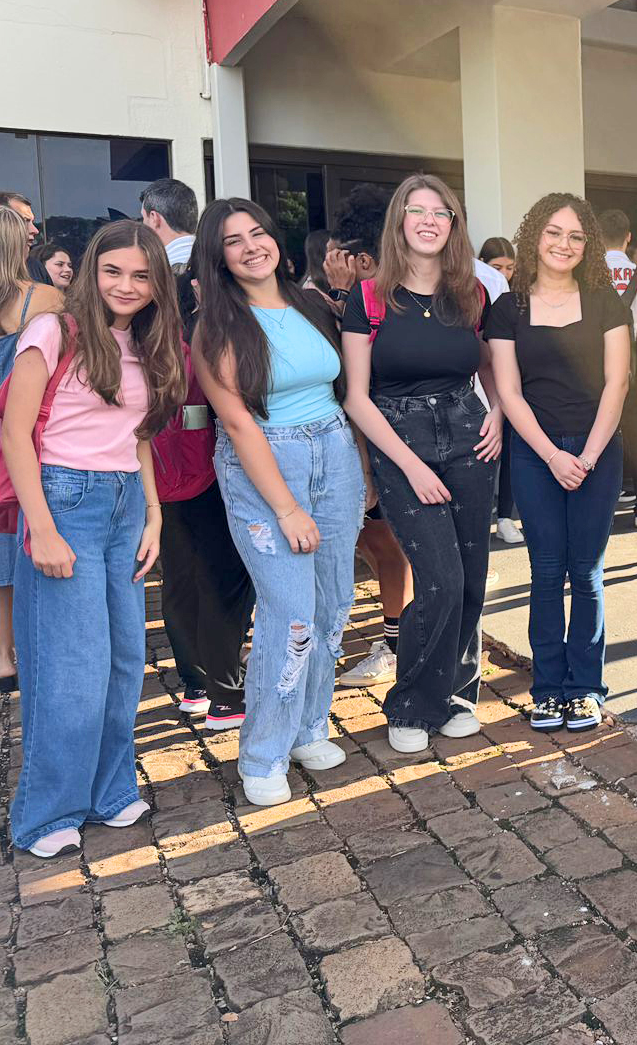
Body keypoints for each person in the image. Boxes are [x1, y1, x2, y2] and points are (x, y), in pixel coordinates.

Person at [3, 221, 184, 856]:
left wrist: (154, 514)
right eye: (113, 271)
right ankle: (47, 812)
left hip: (125, 502)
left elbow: (139, 438)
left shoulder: (148, 342)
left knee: (124, 658)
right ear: (91, 271)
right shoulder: (53, 331)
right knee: (70, 665)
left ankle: (109, 790)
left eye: (141, 275)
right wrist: (42, 529)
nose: (126, 285)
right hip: (63, 499)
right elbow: (15, 434)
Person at [192, 198, 367, 807]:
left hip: (335, 453)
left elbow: (341, 393)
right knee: (290, 613)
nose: (251, 247)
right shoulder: (216, 326)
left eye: (258, 233)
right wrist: (287, 508)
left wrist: (360, 469)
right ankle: (264, 752)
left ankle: (309, 728)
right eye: (233, 240)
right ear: (218, 257)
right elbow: (238, 424)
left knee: (333, 605)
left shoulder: (310, 304)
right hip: (267, 462)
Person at [342, 175, 501, 752]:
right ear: (399, 221)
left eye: (441, 212)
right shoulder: (368, 297)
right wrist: (409, 465)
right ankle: (410, 701)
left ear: (454, 225)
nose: (429, 221)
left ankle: (458, 693)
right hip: (399, 438)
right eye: (417, 210)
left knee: (472, 577)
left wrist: (498, 411)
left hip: (468, 434)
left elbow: (490, 364)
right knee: (441, 580)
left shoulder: (471, 294)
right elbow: (357, 397)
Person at [490, 193, 631, 734]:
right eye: (553, 232)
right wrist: (552, 456)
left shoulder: (604, 302)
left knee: (587, 571)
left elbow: (618, 383)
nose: (563, 244)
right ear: (535, 236)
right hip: (535, 453)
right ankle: (548, 689)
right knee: (547, 570)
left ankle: (586, 689)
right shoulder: (509, 308)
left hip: (597, 448)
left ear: (587, 244)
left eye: (575, 235)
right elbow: (509, 390)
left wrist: (587, 456)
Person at [0, 207, 64, 692]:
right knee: (37, 531)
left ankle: (3, 658)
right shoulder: (44, 299)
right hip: (31, 433)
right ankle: (39, 647)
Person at [157, 270, 256, 729]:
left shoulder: (149, 340)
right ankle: (225, 694)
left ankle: (195, 685)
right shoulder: (212, 335)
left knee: (180, 576)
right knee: (226, 578)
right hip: (213, 469)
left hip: (161, 472)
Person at [326, 186, 414, 687]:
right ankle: (398, 640)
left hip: (386, 441)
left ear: (360, 259)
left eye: (338, 256)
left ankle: (397, 646)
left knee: (387, 546)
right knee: (380, 544)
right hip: (374, 440)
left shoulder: (379, 298)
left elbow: (359, 368)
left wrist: (341, 297)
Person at [600, 209, 637, 529]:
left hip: (597, 364)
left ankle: (602, 502)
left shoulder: (587, 275)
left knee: (600, 431)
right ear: (628, 237)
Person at [479, 239, 525, 545]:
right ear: (483, 261)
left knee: (507, 447)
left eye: (510, 268)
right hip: (482, 379)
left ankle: (505, 517)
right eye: (498, 267)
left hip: (501, 377)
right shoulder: (485, 281)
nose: (504, 274)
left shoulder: (511, 291)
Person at [140, 178, 199, 271]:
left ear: (154, 218)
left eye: (143, 218)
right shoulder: (215, 261)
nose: (142, 226)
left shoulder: (160, 273)